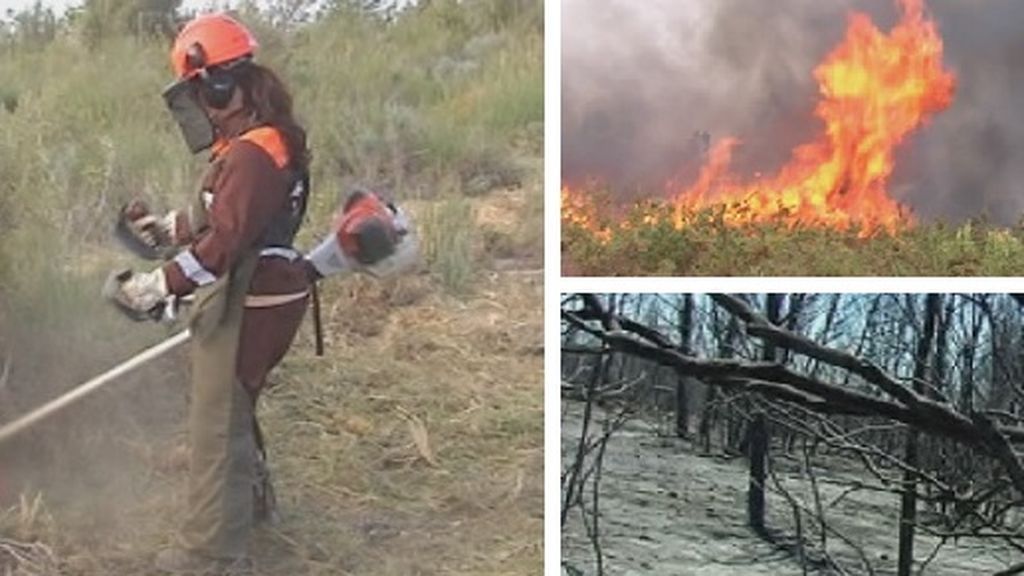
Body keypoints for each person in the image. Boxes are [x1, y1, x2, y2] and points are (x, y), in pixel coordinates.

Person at [107, 13, 311, 575]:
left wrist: (158, 286)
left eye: (198, 92)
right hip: (267, 289)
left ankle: (210, 554)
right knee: (234, 407)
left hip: (251, 297)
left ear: (217, 84)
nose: (196, 107)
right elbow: (228, 218)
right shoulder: (262, 141)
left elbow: (223, 243)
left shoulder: (250, 153)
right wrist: (165, 228)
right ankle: (252, 508)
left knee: (216, 421)